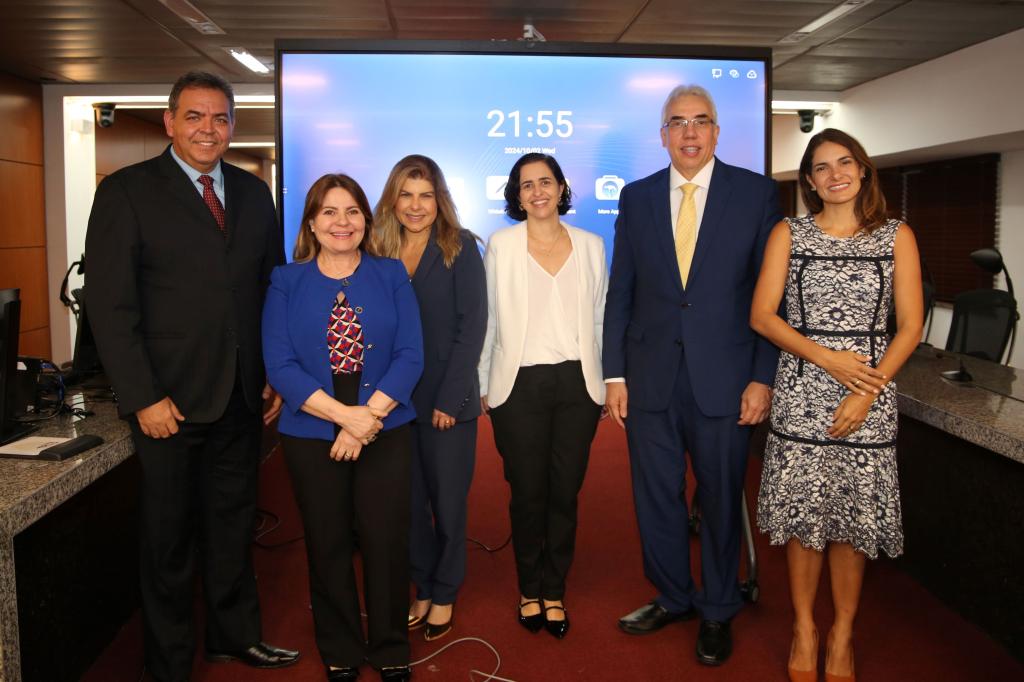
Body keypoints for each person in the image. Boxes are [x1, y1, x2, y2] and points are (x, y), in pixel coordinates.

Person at [84, 71, 298, 682]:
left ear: (233, 125)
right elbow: (110, 304)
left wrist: (270, 371)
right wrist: (142, 394)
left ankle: (235, 637)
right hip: (167, 402)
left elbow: (267, 289)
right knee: (169, 542)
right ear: (170, 123)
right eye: (196, 117)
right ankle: (170, 662)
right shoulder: (127, 192)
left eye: (221, 118)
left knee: (234, 526)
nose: (209, 129)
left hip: (240, 395)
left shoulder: (256, 194)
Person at [603, 84, 780, 665]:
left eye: (700, 121)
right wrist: (615, 374)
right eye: (677, 122)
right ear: (662, 135)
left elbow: (769, 297)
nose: (689, 132)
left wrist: (763, 377)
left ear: (717, 131)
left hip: (726, 380)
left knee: (723, 497)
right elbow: (621, 290)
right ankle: (674, 595)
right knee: (655, 497)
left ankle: (718, 607)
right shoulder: (636, 197)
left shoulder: (755, 196)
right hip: (650, 377)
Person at [751, 128, 923, 682]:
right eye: (821, 168)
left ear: (864, 169)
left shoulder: (896, 235)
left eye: (844, 163)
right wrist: (829, 359)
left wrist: (865, 388)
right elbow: (763, 316)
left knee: (852, 523)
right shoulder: (789, 232)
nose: (835, 175)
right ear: (808, 181)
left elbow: (912, 326)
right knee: (804, 520)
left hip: (869, 394)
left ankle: (842, 634)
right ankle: (805, 628)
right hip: (803, 392)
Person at [262, 173, 423, 682]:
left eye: (352, 211)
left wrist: (365, 419)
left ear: (366, 221)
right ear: (312, 222)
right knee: (327, 540)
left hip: (386, 423)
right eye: (329, 212)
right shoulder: (286, 281)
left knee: (385, 539)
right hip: (312, 428)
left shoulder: (391, 273)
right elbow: (280, 364)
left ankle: (391, 645)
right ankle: (340, 647)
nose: (342, 222)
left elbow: (411, 354)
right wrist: (343, 418)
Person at [478, 153, 607, 639]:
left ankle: (555, 589)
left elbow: (600, 317)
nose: (537, 192)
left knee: (565, 491)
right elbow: (489, 318)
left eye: (545, 182)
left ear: (560, 187)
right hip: (519, 387)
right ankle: (529, 587)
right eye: (526, 184)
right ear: (516, 194)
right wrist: (485, 382)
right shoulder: (502, 245)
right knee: (527, 492)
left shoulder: (592, 245)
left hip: (578, 385)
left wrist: (610, 379)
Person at [369, 155, 487, 642]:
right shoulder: (375, 251)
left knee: (449, 503)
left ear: (440, 200)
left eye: (426, 195)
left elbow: (471, 328)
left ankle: (445, 590)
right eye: (406, 194)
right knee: (409, 503)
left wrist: (452, 397)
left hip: (446, 402)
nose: (416, 206)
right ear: (392, 200)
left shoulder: (460, 249)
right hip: (392, 404)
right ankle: (422, 583)